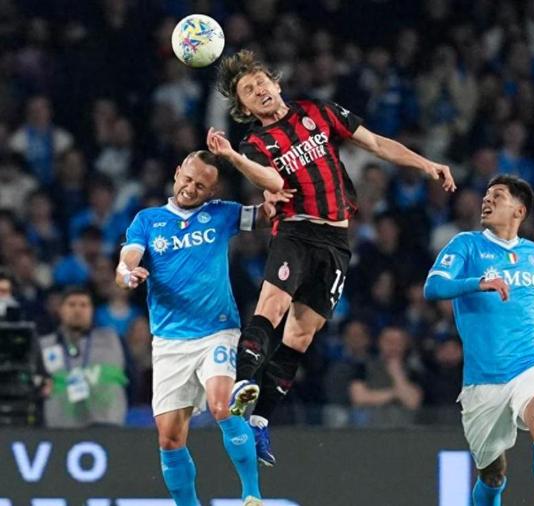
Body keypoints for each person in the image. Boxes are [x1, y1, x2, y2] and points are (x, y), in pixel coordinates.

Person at [205, 49, 456, 466]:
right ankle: (241, 384)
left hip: (337, 241)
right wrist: (232, 156)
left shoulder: (318, 112)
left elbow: (375, 143)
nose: (259, 90)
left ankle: (259, 422)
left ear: (276, 82)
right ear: (244, 108)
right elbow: (272, 181)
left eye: (261, 81)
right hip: (296, 231)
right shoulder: (255, 143)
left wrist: (426, 164)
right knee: (272, 306)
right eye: (248, 90)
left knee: (300, 336)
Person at [115, 150, 290, 506]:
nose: (190, 188)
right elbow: (127, 260)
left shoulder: (221, 213)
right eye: (188, 179)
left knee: (223, 405)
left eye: (201, 186)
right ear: (177, 172)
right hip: (169, 341)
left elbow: (267, 214)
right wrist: (127, 274)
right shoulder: (148, 220)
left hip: (218, 332)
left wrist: (275, 196)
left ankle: (252, 494)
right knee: (169, 439)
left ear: (212, 191)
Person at [423, 175, 534, 506]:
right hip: (483, 381)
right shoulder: (466, 245)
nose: (486, 200)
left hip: (529, 365)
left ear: (519, 210)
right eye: (487, 195)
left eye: (497, 196)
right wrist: (478, 283)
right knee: (492, 476)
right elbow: (433, 287)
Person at [36, 287, 128, 428]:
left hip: (106, 423)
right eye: (71, 305)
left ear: (92, 310)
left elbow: (132, 378)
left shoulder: (112, 340)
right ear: (60, 310)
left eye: (84, 305)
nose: (78, 310)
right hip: (59, 426)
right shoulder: (45, 345)